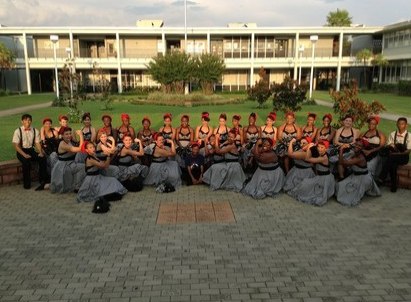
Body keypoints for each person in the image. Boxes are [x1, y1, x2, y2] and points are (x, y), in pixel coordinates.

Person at [287, 140, 335, 206]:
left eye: (322, 147)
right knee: (305, 184)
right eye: (318, 147)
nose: (319, 149)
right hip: (319, 176)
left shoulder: (324, 157)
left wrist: (309, 148)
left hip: (324, 178)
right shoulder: (320, 154)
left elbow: (307, 159)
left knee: (313, 190)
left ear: (326, 149)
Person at [335, 138, 381, 206]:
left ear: (362, 148)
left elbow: (342, 163)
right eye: (356, 144)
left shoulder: (360, 158)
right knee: (339, 185)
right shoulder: (355, 153)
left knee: (350, 193)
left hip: (363, 179)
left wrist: (341, 150)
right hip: (355, 175)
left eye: (359, 146)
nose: (356, 146)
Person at [12, 114, 48, 190]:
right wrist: (24, 155)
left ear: (31, 121)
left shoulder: (35, 130)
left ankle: (42, 180)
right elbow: (16, 146)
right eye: (25, 120)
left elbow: (37, 143)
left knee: (42, 158)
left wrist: (40, 152)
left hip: (31, 150)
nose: (27, 122)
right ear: (22, 121)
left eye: (29, 120)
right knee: (26, 161)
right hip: (21, 151)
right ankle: (27, 184)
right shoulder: (18, 131)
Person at [378, 117, 411, 192]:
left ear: (406, 125)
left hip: (403, 156)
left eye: (402, 124)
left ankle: (382, 177)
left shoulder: (409, 135)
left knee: (390, 159)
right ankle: (394, 186)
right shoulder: (393, 134)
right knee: (393, 165)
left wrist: (397, 153)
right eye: (399, 124)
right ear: (396, 124)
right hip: (393, 154)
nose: (400, 125)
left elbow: (408, 151)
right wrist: (391, 146)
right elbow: (388, 145)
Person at [50, 127, 86, 193]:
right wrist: (81, 135)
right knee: (83, 167)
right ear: (62, 135)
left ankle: (77, 185)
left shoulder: (69, 142)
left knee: (81, 164)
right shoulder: (62, 144)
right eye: (66, 134)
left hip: (70, 163)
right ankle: (77, 186)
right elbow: (80, 149)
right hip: (63, 167)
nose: (69, 135)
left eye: (70, 133)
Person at [333, 115, 360, 180]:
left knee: (344, 157)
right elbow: (336, 141)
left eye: (350, 121)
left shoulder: (355, 131)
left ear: (352, 122)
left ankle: (342, 174)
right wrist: (343, 145)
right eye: (346, 120)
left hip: (351, 148)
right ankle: (341, 175)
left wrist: (347, 145)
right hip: (340, 147)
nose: (348, 122)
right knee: (339, 155)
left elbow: (354, 142)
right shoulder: (339, 130)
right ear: (343, 121)